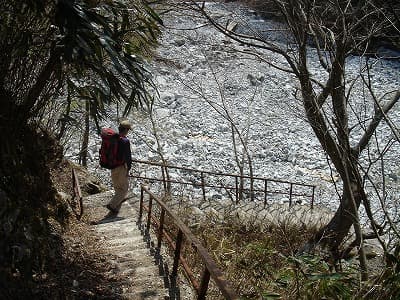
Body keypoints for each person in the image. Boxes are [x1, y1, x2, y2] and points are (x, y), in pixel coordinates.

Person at [105, 120, 132, 217]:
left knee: (117, 187)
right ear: (125, 130)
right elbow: (128, 157)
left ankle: (116, 207)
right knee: (124, 189)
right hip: (121, 167)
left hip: (112, 166)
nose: (128, 131)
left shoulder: (113, 138)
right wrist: (128, 168)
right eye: (128, 129)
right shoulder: (125, 141)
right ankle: (112, 205)